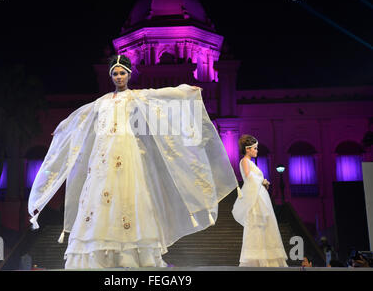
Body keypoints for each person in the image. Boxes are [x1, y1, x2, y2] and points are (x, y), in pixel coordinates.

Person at [28, 54, 239, 269]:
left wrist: (186, 91)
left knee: (130, 195)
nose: (119, 77)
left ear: (129, 75)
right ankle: (101, 255)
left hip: (127, 150)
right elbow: (80, 117)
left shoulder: (136, 96)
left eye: (122, 73)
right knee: (99, 197)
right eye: (115, 74)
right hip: (104, 154)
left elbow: (161, 96)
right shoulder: (102, 102)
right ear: (111, 76)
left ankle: (131, 253)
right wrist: (63, 129)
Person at [231, 134, 288, 267]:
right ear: (248, 149)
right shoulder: (244, 161)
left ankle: (268, 259)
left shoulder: (249, 162)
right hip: (255, 199)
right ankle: (257, 260)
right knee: (256, 226)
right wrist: (261, 180)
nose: (257, 151)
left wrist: (263, 182)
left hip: (260, 196)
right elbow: (248, 176)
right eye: (255, 148)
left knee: (265, 227)